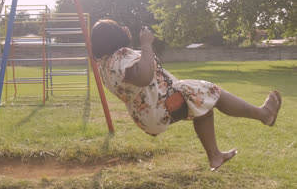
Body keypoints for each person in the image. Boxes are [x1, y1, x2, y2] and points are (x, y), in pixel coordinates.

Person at [90, 19, 282, 171]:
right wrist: (146, 43)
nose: (123, 27)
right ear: (114, 37)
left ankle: (215, 155)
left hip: (146, 117)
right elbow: (143, 76)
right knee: (209, 90)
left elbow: (130, 71)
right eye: (118, 27)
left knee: (202, 106)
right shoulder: (121, 56)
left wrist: (127, 41)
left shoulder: (104, 65)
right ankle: (264, 114)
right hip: (161, 106)